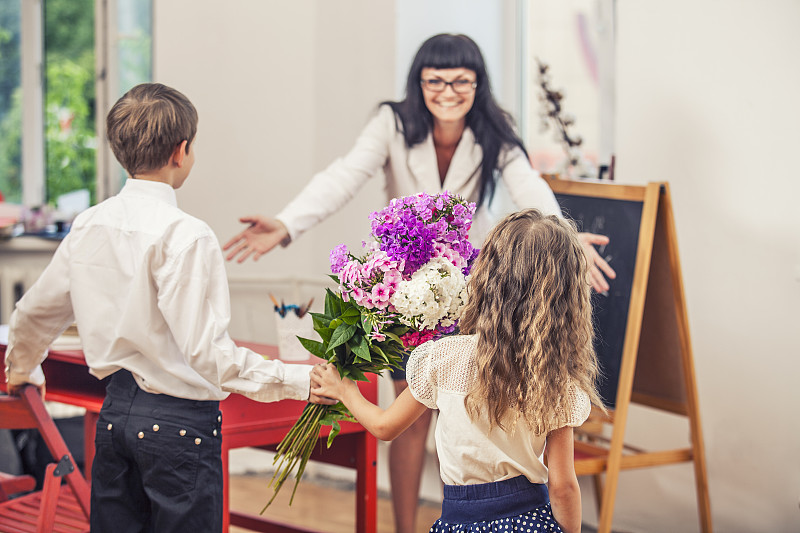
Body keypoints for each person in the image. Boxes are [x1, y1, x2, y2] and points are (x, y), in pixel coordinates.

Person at [223, 33, 614, 531]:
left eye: (461, 81)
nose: (448, 91)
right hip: (406, 298)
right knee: (409, 421)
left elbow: (529, 186)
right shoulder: (392, 123)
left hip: (475, 297)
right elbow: (344, 175)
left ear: (478, 84)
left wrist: (565, 239)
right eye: (435, 81)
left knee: (478, 408)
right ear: (419, 82)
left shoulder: (495, 130)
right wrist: (287, 222)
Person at [3, 82, 335, 533]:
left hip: (113, 420)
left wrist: (23, 370)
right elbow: (208, 356)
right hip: (180, 432)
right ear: (182, 151)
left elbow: (34, 314)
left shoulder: (88, 225)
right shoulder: (187, 235)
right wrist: (300, 380)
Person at [310, 208, 604, 533]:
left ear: (486, 275)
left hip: (459, 522)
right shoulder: (555, 380)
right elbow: (563, 487)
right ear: (567, 299)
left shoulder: (444, 358)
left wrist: (344, 390)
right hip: (530, 521)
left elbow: (385, 427)